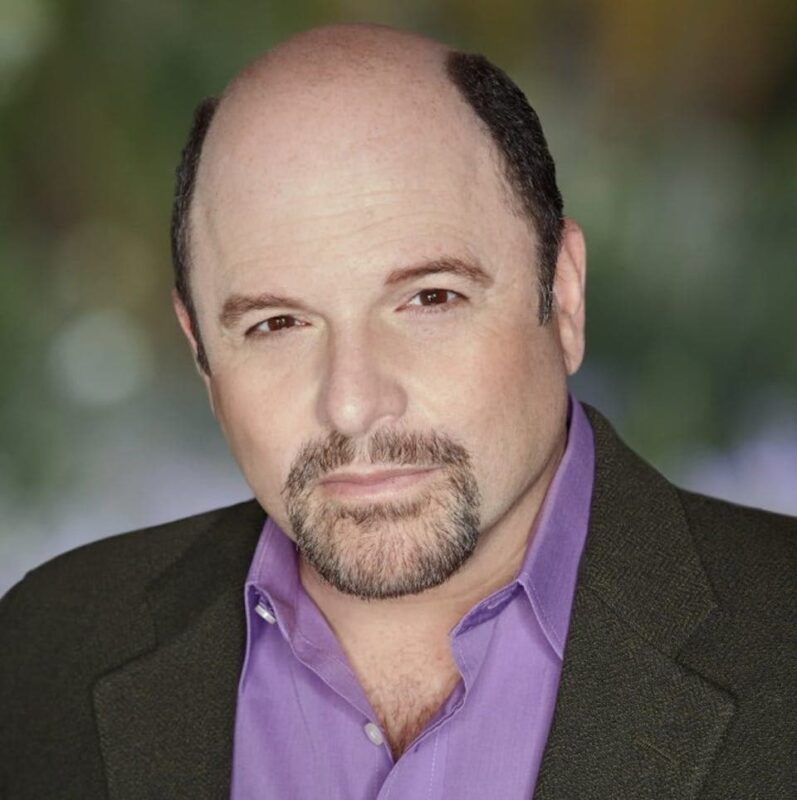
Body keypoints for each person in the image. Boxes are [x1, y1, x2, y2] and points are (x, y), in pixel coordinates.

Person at [1, 23, 794, 800]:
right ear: (199, 349)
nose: (351, 402)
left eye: (429, 299)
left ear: (563, 295)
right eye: (275, 324)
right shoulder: (48, 646)